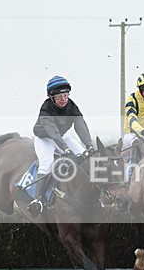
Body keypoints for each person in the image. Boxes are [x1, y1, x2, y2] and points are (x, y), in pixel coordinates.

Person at [28, 75, 96, 215]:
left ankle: (90, 195)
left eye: (66, 95)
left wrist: (89, 145)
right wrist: (66, 150)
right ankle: (37, 200)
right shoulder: (45, 109)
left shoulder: (71, 105)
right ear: (52, 98)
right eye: (60, 97)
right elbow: (53, 133)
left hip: (62, 136)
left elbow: (80, 125)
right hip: (45, 139)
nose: (64, 99)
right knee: (47, 163)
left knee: (85, 156)